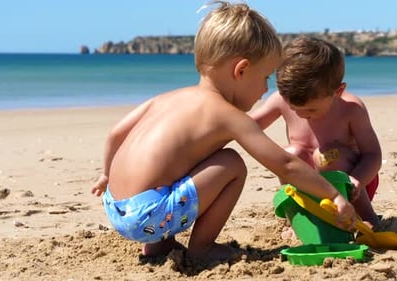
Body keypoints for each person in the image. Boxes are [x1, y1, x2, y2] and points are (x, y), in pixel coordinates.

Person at [91, 2, 357, 262]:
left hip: (115, 204)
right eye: (265, 77)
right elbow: (285, 165)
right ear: (241, 70)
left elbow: (116, 134)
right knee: (232, 163)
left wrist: (105, 174)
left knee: (180, 162)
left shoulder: (168, 98)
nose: (266, 90)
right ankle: (202, 249)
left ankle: (159, 247)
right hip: (148, 216)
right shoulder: (229, 116)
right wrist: (332, 194)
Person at [249, 36, 381, 227]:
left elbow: (373, 154)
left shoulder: (351, 109)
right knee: (291, 154)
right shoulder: (281, 99)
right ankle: (299, 220)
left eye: (311, 110)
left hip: (353, 187)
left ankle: (368, 218)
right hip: (308, 185)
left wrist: (358, 179)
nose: (302, 115)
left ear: (338, 91)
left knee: (328, 155)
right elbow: (248, 126)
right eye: (294, 108)